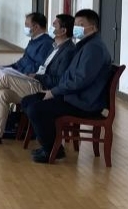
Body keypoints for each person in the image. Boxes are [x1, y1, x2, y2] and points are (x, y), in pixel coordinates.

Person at [0, 14, 77, 144]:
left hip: (45, 89)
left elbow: (58, 80)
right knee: (3, 94)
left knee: (6, 78)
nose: (51, 27)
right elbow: (37, 66)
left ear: (63, 30)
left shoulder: (67, 51)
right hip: (35, 82)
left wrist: (36, 76)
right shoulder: (55, 47)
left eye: (54, 25)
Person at [21, 9, 114, 163]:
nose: (76, 28)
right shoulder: (85, 45)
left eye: (81, 25)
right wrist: (54, 90)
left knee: (36, 108)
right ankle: (51, 145)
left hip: (83, 102)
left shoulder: (94, 48)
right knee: (28, 101)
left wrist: (54, 92)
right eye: (75, 24)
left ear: (93, 27)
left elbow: (80, 80)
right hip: (73, 96)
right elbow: (69, 75)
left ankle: (52, 149)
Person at [0, 12, 56, 125]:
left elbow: (38, 67)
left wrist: (16, 72)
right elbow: (22, 61)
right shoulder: (33, 40)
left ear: (36, 27)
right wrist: (5, 68)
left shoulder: (46, 43)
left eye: (27, 25)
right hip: (21, 74)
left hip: (31, 80)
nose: (25, 28)